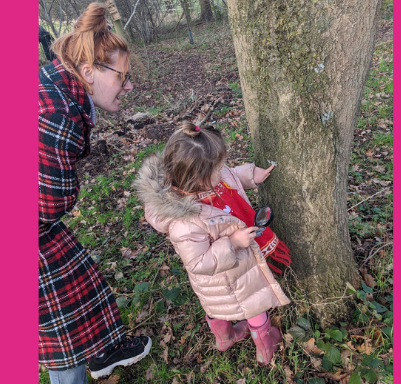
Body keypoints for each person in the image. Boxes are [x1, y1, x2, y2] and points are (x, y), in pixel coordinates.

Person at [38, 3, 147, 382]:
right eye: (123, 77)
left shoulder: (57, 85)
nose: (129, 86)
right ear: (88, 72)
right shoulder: (57, 115)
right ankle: (77, 365)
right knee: (58, 319)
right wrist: (67, 193)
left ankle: (101, 350)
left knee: (79, 279)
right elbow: (49, 203)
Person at [133, 122, 291, 366]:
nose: (223, 170)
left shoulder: (208, 179)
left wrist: (251, 175)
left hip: (225, 279)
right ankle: (265, 345)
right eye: (218, 168)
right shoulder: (184, 221)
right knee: (253, 305)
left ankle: (225, 338)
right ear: (200, 178)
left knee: (218, 309)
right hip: (226, 273)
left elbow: (231, 176)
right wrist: (232, 242)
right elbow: (198, 262)